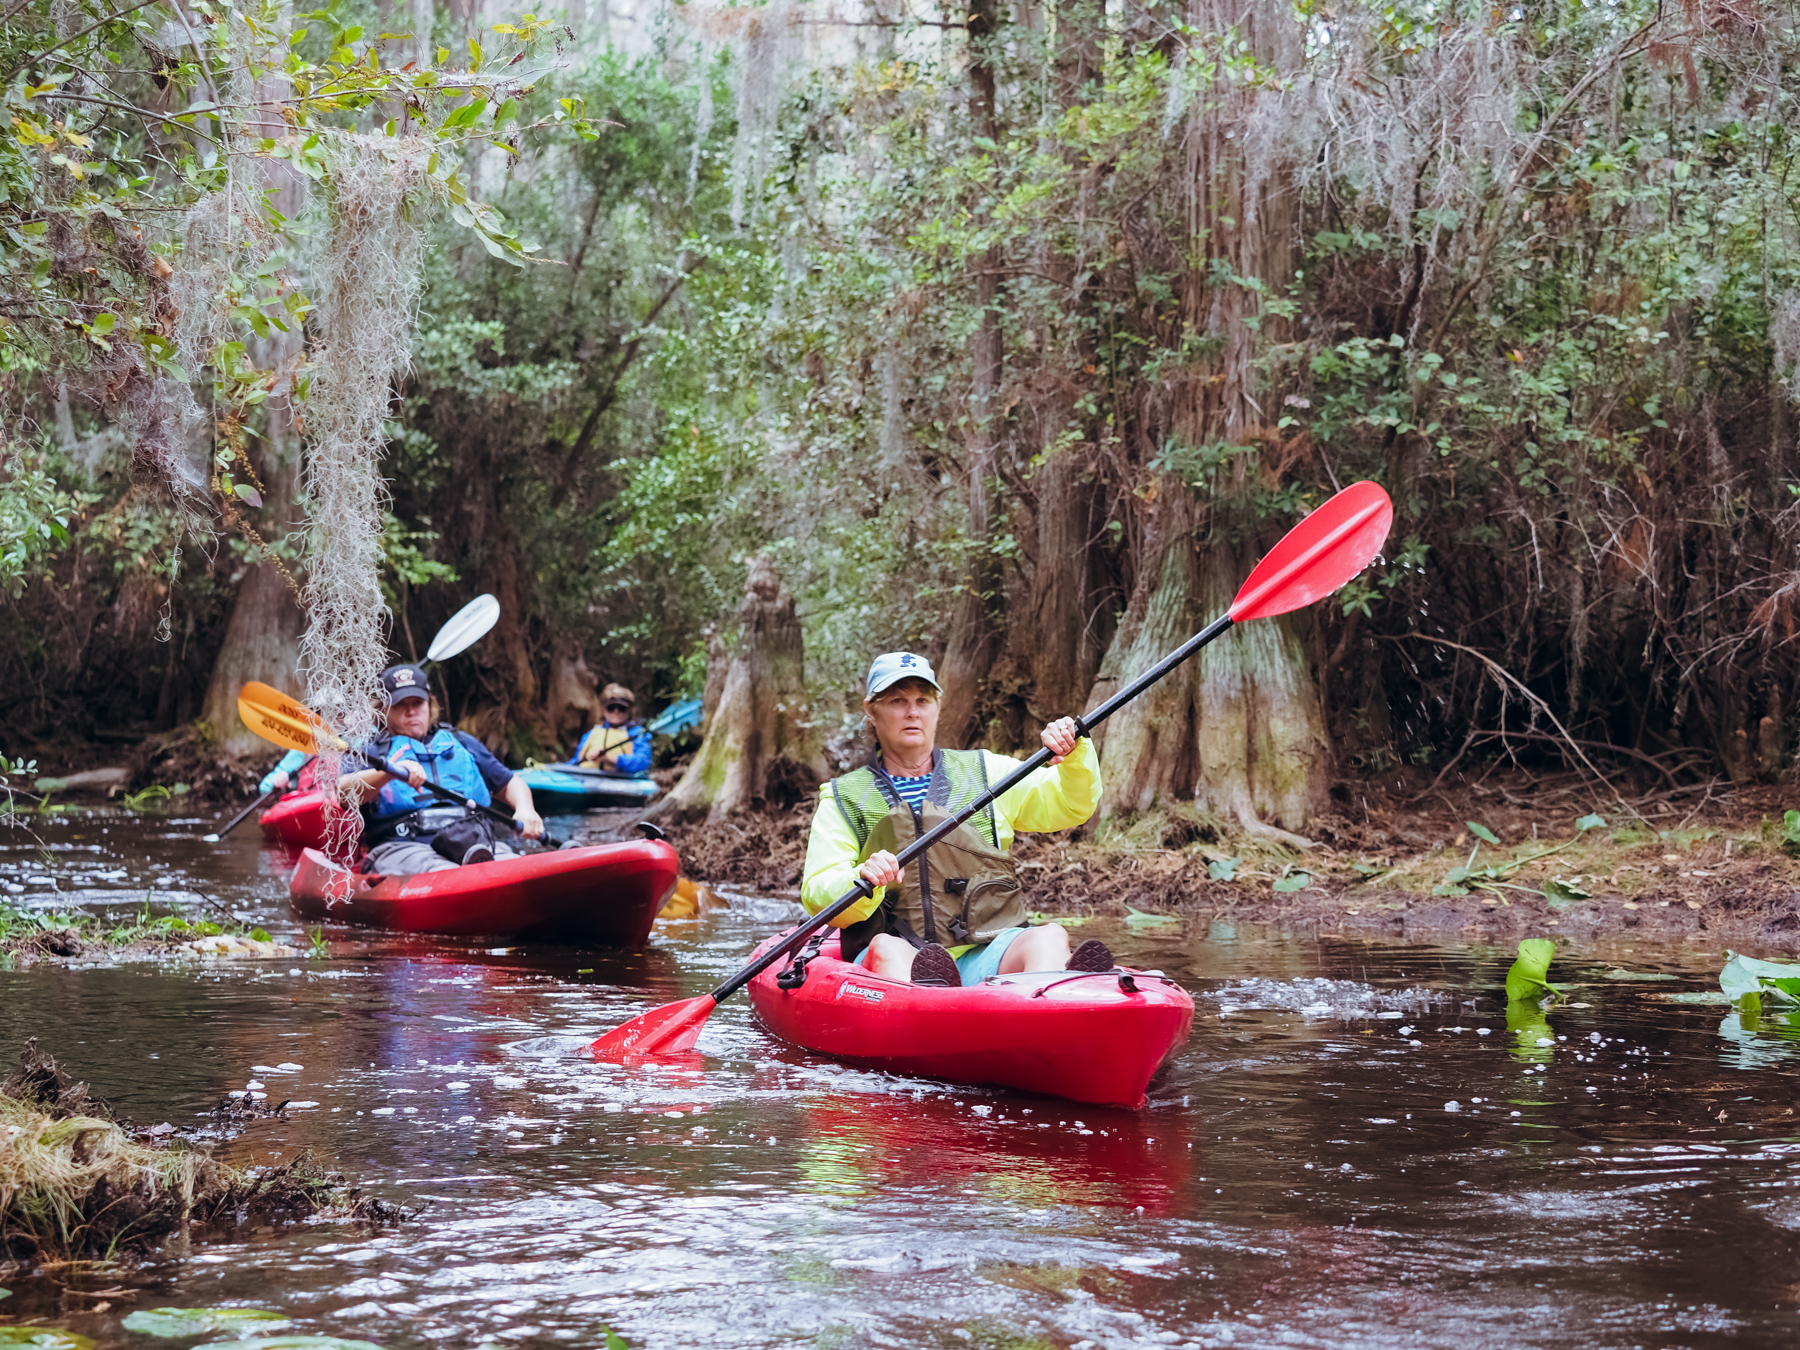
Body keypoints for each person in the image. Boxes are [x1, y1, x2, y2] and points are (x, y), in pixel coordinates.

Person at [800, 651, 1113, 987]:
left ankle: (1055, 1004)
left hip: (987, 949)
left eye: (922, 700)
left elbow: (1069, 805)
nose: (912, 712)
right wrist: (860, 879)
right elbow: (818, 891)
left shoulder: (988, 771)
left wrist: (1075, 753)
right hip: (896, 953)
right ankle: (933, 1006)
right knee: (887, 949)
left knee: (1048, 936)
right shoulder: (844, 797)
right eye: (897, 701)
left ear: (937, 707)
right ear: (871, 710)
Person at [341, 663, 546, 874]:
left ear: (430, 705)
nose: (412, 711)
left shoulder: (460, 741)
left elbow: (510, 783)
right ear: (383, 710)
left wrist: (525, 809)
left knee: (516, 866)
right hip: (403, 848)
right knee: (443, 870)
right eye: (401, 704)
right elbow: (344, 793)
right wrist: (387, 773)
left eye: (418, 703)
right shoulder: (371, 749)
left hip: (474, 844)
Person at [573, 683, 652, 774]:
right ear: (603, 710)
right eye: (611, 707)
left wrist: (611, 760)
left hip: (622, 783)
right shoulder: (591, 734)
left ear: (629, 710)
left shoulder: (638, 734)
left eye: (621, 708)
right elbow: (575, 761)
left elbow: (643, 762)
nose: (616, 711)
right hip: (586, 780)